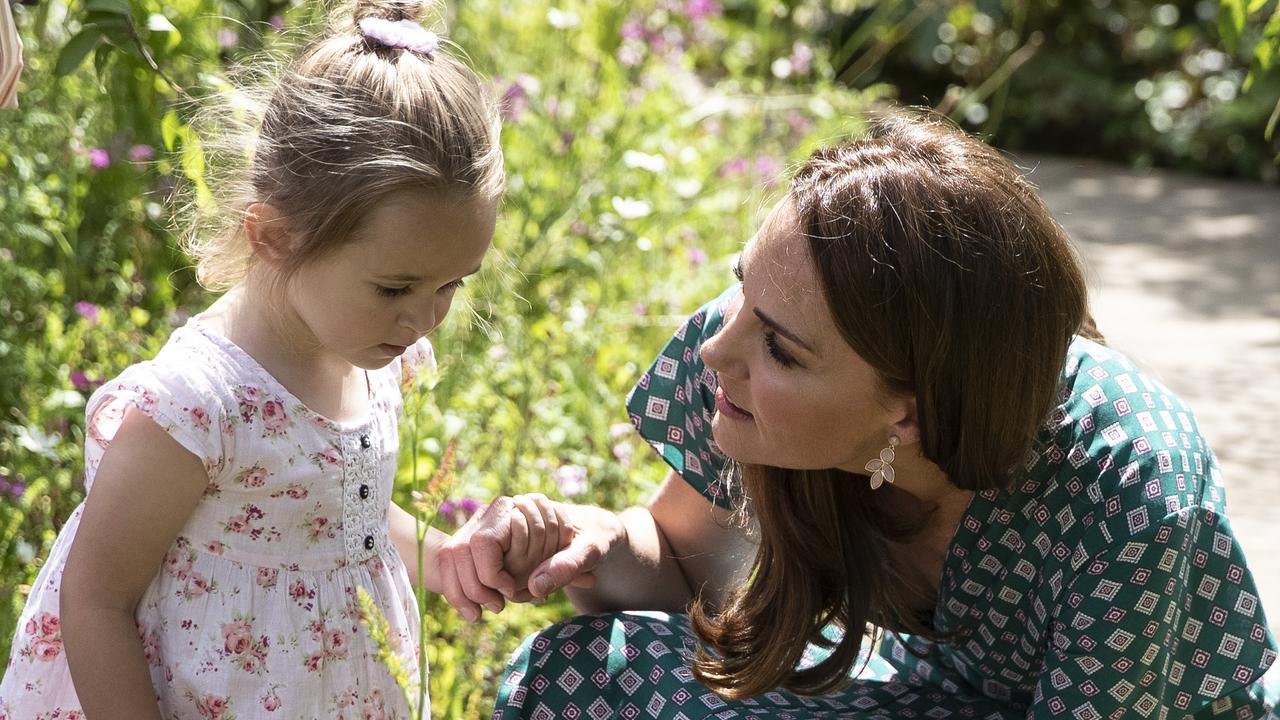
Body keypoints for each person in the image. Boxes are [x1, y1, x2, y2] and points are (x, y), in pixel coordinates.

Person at [440, 112, 1280, 718]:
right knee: (590, 671)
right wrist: (591, 546)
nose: (714, 352)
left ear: (906, 417)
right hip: (938, 694)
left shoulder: (1129, 493)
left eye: (780, 349)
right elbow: (687, 564)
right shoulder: (750, 365)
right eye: (742, 290)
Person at [0, 0, 508, 717]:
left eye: (453, 284)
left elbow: (336, 518)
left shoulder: (367, 348)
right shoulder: (197, 406)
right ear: (273, 236)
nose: (426, 317)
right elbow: (96, 600)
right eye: (396, 287)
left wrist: (444, 558)